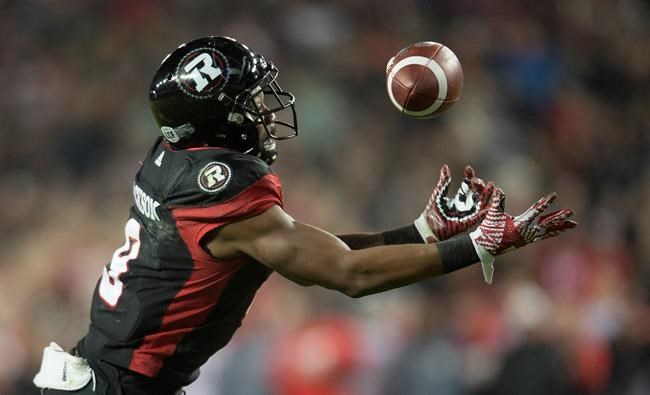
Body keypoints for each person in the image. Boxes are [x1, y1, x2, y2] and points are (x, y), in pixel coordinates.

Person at [33, 36, 577, 395]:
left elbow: (313, 252)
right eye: (249, 103)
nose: (265, 111)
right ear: (216, 120)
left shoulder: (176, 159)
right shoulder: (223, 189)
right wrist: (478, 245)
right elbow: (347, 275)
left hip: (106, 373)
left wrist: (419, 233)